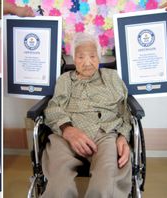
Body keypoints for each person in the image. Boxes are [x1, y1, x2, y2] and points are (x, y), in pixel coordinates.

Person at [41, 32, 132, 197]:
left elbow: (124, 109)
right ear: (74, 59)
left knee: (107, 179)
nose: (87, 62)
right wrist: (67, 130)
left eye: (92, 56)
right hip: (67, 134)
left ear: (99, 57)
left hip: (105, 133)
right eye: (81, 57)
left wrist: (123, 136)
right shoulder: (65, 79)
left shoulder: (111, 77)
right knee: (59, 182)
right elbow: (53, 107)